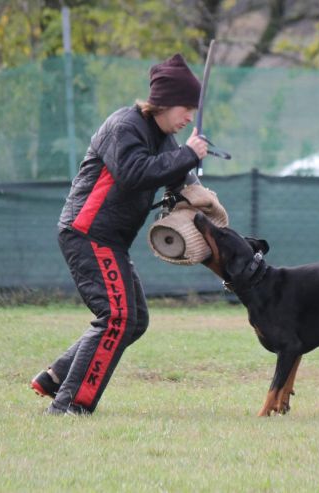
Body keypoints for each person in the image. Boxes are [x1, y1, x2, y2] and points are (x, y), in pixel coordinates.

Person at [30, 53, 208, 415]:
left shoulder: (164, 140)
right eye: (186, 108)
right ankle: (71, 405)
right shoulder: (123, 126)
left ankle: (56, 378)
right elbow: (133, 173)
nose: (189, 117)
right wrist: (187, 155)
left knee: (135, 319)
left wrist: (198, 190)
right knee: (117, 316)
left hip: (110, 241)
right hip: (88, 232)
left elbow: (175, 176)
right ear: (164, 102)